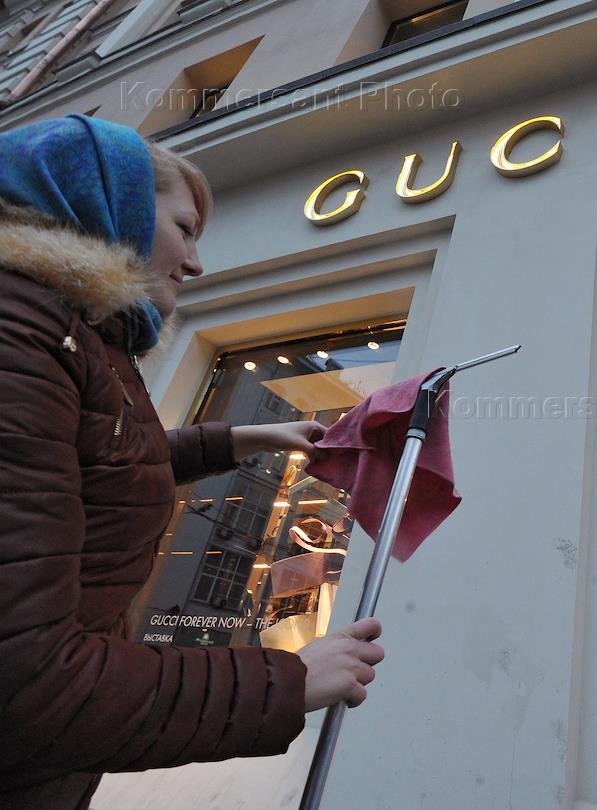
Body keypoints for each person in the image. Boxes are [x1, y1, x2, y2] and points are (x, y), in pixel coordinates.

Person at [0, 115, 384, 810]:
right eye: (185, 228)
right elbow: (25, 686)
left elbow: (98, 465)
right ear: (111, 206)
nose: (197, 262)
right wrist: (286, 681)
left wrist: (246, 437)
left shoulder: (69, 333)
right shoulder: (22, 338)